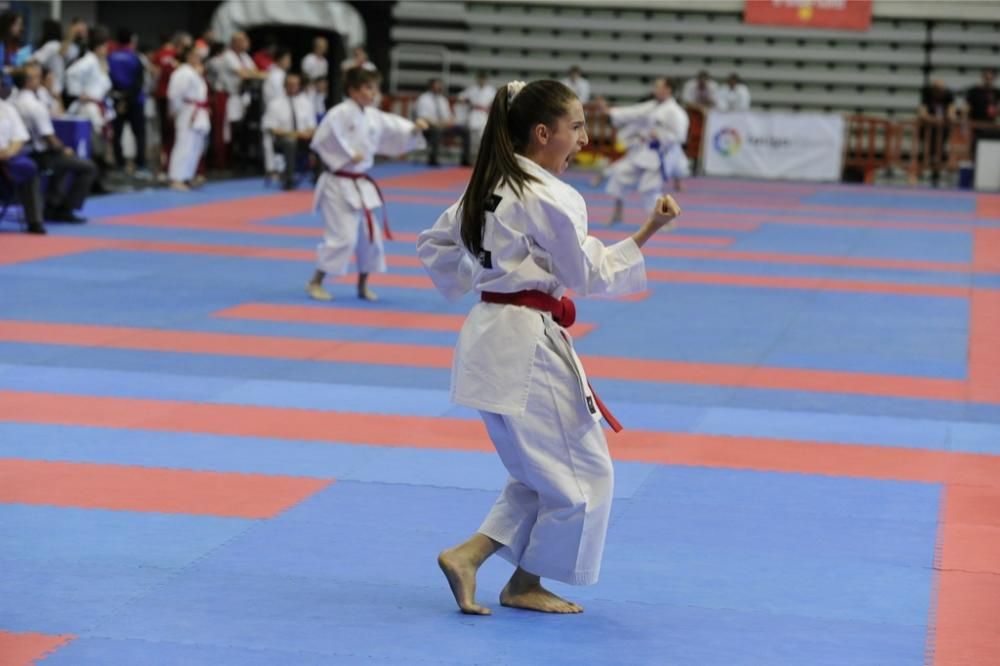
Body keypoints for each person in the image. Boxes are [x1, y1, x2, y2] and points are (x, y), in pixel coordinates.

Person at [416, 79, 681, 615]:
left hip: (489, 335)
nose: (584, 138)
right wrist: (647, 232)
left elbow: (436, 244)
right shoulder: (552, 196)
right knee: (586, 473)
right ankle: (520, 582)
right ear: (544, 133)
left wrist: (490, 274)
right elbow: (583, 273)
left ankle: (471, 557)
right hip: (526, 346)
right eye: (576, 126)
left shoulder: (488, 184)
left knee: (539, 473)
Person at [306, 66, 428, 302]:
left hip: (361, 184)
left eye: (375, 88)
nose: (373, 93)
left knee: (370, 237)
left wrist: (413, 128)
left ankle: (362, 285)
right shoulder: (339, 113)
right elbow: (323, 139)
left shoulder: (373, 116)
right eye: (367, 88)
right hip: (337, 183)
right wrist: (349, 153)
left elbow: (394, 128)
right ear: (352, 90)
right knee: (343, 237)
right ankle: (315, 281)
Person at [596, 77, 689, 223]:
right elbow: (632, 112)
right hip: (645, 152)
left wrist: (660, 135)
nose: (655, 90)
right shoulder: (652, 106)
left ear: (668, 90)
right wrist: (609, 112)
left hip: (663, 155)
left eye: (659, 87)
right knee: (620, 174)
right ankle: (617, 214)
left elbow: (680, 137)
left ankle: (666, 220)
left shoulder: (675, 112)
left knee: (649, 188)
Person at [13, 62, 97, 222]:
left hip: (22, 153)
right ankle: (65, 209)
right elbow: (48, 137)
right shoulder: (34, 106)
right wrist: (63, 149)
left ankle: (52, 203)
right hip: (39, 154)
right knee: (88, 167)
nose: (40, 80)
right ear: (28, 82)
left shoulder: (14, 101)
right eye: (36, 78)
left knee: (63, 165)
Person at [65, 27, 113, 167]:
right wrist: (79, 94)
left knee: (102, 142)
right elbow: (71, 73)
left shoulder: (100, 61)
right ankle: (92, 173)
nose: (107, 49)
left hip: (100, 106)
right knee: (93, 143)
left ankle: (98, 174)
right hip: (89, 108)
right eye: (104, 46)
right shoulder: (89, 60)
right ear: (97, 47)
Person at [262, 72, 317, 190]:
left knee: (319, 141)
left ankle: (319, 178)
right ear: (284, 85)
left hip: (303, 139)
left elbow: (312, 126)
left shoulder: (306, 103)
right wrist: (294, 134)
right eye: (290, 84)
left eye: (295, 84)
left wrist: (308, 133)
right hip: (282, 140)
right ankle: (289, 179)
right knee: (290, 142)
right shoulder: (275, 104)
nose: (293, 87)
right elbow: (272, 129)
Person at [166, 46, 210, 190]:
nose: (198, 59)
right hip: (187, 111)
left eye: (199, 56)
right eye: (195, 55)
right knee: (184, 144)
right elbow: (174, 95)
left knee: (195, 146)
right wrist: (175, 110)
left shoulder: (195, 72)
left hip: (197, 111)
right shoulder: (182, 73)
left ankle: (187, 176)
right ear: (188, 56)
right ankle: (176, 178)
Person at [0, 97, 46, 234]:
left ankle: (34, 221)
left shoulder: (7, 108)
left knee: (28, 167)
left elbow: (20, 137)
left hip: (8, 158)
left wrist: (9, 152)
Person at [108, 28, 148, 175]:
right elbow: (139, 82)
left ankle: (119, 163)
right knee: (139, 133)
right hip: (135, 100)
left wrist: (120, 98)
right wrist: (128, 98)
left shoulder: (110, 57)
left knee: (117, 133)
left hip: (117, 100)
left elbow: (109, 79)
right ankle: (141, 164)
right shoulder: (136, 58)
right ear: (131, 40)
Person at [415, 78, 471, 167]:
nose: (439, 87)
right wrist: (437, 124)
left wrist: (450, 121)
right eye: (437, 85)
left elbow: (449, 116)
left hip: (444, 126)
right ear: (431, 86)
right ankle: (433, 158)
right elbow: (423, 117)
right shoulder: (423, 98)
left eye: (440, 85)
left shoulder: (443, 99)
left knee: (465, 130)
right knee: (436, 130)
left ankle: (465, 159)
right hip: (429, 127)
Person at [918, 79, 958, 186]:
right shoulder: (927, 95)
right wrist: (934, 120)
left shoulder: (948, 96)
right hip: (929, 130)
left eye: (941, 89)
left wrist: (948, 117)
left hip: (943, 131)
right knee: (928, 151)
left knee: (941, 152)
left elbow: (952, 113)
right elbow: (922, 113)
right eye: (937, 89)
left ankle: (937, 173)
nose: (939, 91)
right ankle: (922, 171)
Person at [965, 68, 999, 159]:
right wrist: (966, 121)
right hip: (976, 124)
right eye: (986, 78)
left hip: (990, 125)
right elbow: (967, 107)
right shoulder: (974, 91)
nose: (988, 80)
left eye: (991, 78)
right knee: (975, 147)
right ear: (983, 78)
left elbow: (997, 108)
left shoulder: (996, 92)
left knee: (990, 147)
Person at [458, 71, 496, 154]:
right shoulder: (472, 89)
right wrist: (468, 102)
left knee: (483, 138)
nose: (481, 80)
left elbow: (495, 102)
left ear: (486, 80)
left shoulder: (491, 90)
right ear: (477, 79)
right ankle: (473, 159)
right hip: (474, 114)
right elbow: (461, 97)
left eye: (483, 79)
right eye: (480, 79)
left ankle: (483, 158)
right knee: (473, 139)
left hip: (484, 115)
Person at [302, 37, 329, 114]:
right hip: (309, 90)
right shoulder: (309, 59)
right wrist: (314, 84)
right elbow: (305, 76)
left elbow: (323, 77)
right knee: (310, 111)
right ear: (316, 47)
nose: (323, 49)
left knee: (321, 111)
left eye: (324, 47)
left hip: (320, 92)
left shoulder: (324, 61)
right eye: (321, 46)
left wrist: (323, 86)